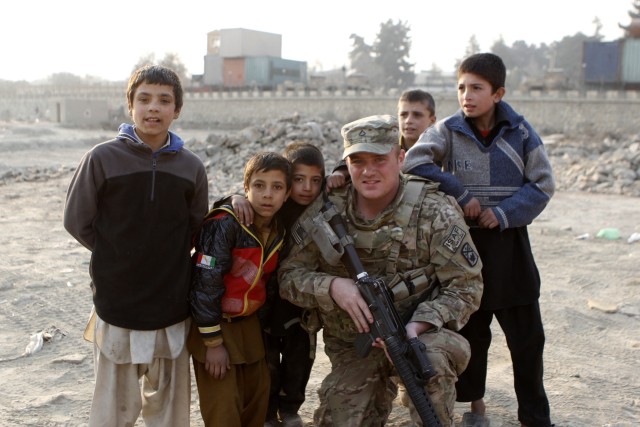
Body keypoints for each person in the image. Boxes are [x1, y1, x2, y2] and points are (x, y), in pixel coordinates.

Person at [278, 114, 484, 426]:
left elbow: (467, 287)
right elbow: (287, 277)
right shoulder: (326, 212)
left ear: (400, 157)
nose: (368, 171)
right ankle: (375, 390)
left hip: (421, 340)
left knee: (429, 369)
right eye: (358, 160)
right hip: (355, 346)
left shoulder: (434, 210)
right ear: (346, 164)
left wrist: (420, 325)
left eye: (379, 159)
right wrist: (333, 287)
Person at [403, 53, 555, 427]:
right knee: (472, 334)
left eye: (476, 88)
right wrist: (460, 192)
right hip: (465, 249)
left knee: (528, 340)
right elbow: (414, 163)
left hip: (511, 247)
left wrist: (503, 213)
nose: (466, 96)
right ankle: (473, 408)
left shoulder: (520, 132)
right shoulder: (449, 130)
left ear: (498, 93)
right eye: (461, 88)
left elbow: (543, 183)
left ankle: (535, 417)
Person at [63, 64, 209, 426]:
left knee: (169, 411)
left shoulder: (191, 167)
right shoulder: (102, 158)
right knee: (115, 409)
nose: (153, 108)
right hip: (118, 304)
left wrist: (162, 257)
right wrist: (117, 255)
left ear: (177, 110)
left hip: (172, 304)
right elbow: (77, 220)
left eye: (164, 100)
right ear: (130, 105)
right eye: (144, 99)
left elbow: (195, 228)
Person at [223, 142, 326, 427]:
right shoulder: (272, 206)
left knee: (299, 360)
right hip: (265, 302)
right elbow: (246, 196)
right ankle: (267, 414)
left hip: (301, 305)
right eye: (298, 180)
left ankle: (291, 409)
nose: (307, 188)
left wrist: (340, 171)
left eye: (315, 181)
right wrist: (233, 197)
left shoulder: (322, 207)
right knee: (266, 363)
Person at [188, 151, 291, 427]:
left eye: (277, 187)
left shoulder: (279, 230)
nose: (267, 195)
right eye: (259, 186)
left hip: (249, 327)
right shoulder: (224, 224)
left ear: (287, 193)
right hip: (215, 327)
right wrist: (212, 344)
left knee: (255, 402)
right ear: (246, 189)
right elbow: (204, 285)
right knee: (223, 410)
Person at [325, 89, 436, 189]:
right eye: (403, 115)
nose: (408, 121)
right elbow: (361, 157)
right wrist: (341, 170)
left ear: (432, 120)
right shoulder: (387, 146)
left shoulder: (440, 153)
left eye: (417, 115)